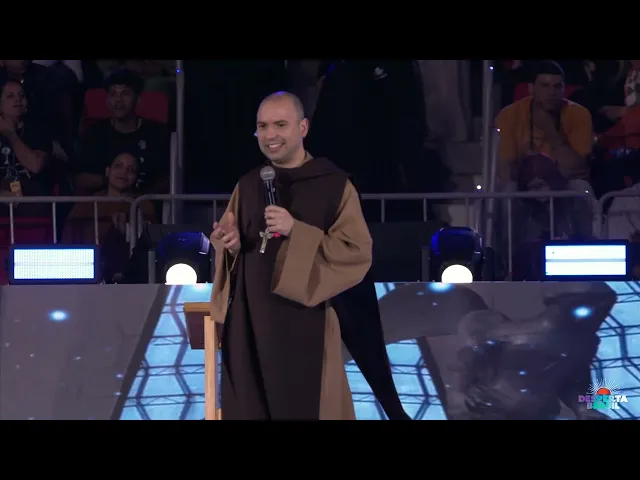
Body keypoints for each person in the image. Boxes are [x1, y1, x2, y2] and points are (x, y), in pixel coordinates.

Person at [209, 91, 409, 420]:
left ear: (303, 127)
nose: (270, 135)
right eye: (262, 126)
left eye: (280, 125)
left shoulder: (334, 186)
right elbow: (237, 248)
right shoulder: (247, 185)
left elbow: (356, 252)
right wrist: (228, 245)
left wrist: (296, 231)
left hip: (307, 320)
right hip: (251, 321)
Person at [494, 60, 596, 279]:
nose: (552, 92)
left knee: (582, 188)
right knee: (507, 191)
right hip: (525, 184)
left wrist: (550, 130)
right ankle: (508, 267)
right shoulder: (509, 115)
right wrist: (530, 179)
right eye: (545, 85)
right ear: (532, 88)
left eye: (557, 86)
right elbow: (506, 168)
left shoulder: (579, 114)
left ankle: (587, 261)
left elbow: (577, 169)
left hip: (561, 183)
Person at [74, 68, 170, 196]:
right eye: (113, 94)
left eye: (125, 94)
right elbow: (80, 179)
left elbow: (167, 178)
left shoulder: (155, 133)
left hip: (143, 203)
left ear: (138, 100)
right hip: (102, 204)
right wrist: (114, 180)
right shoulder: (95, 133)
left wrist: (144, 198)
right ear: (107, 101)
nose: (118, 100)